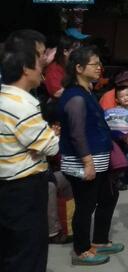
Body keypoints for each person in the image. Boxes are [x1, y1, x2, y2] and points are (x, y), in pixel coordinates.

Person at [0, 29, 60, 271]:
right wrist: (52, 135)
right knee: (28, 253)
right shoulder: (24, 104)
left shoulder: (3, 97)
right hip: (24, 190)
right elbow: (51, 146)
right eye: (38, 62)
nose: (42, 69)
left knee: (9, 251)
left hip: (7, 187)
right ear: (25, 68)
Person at [58, 46, 122, 266]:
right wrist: (87, 162)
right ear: (78, 68)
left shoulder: (87, 92)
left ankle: (100, 240)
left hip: (99, 160)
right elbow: (76, 133)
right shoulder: (75, 96)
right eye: (94, 64)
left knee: (108, 196)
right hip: (85, 162)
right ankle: (81, 249)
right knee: (85, 206)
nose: (99, 68)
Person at [44, 35, 75, 99]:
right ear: (65, 52)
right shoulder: (53, 69)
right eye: (74, 50)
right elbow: (57, 93)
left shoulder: (71, 66)